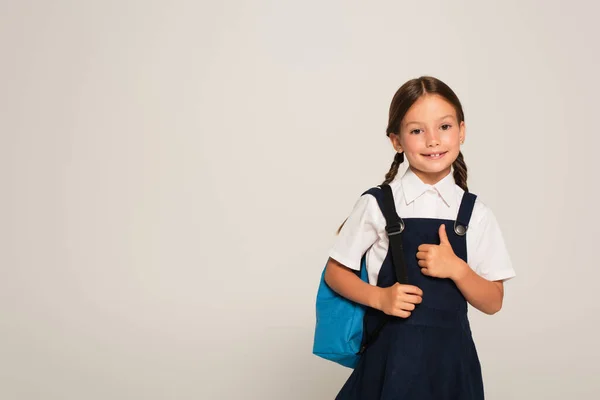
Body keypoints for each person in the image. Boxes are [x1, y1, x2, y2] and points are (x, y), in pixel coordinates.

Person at [324, 76, 515, 399]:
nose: (432, 140)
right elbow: (335, 272)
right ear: (396, 140)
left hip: (451, 369)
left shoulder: (476, 214)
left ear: (462, 131)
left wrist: (458, 269)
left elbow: (493, 301)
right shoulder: (378, 204)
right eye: (416, 131)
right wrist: (380, 298)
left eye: (444, 127)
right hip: (390, 362)